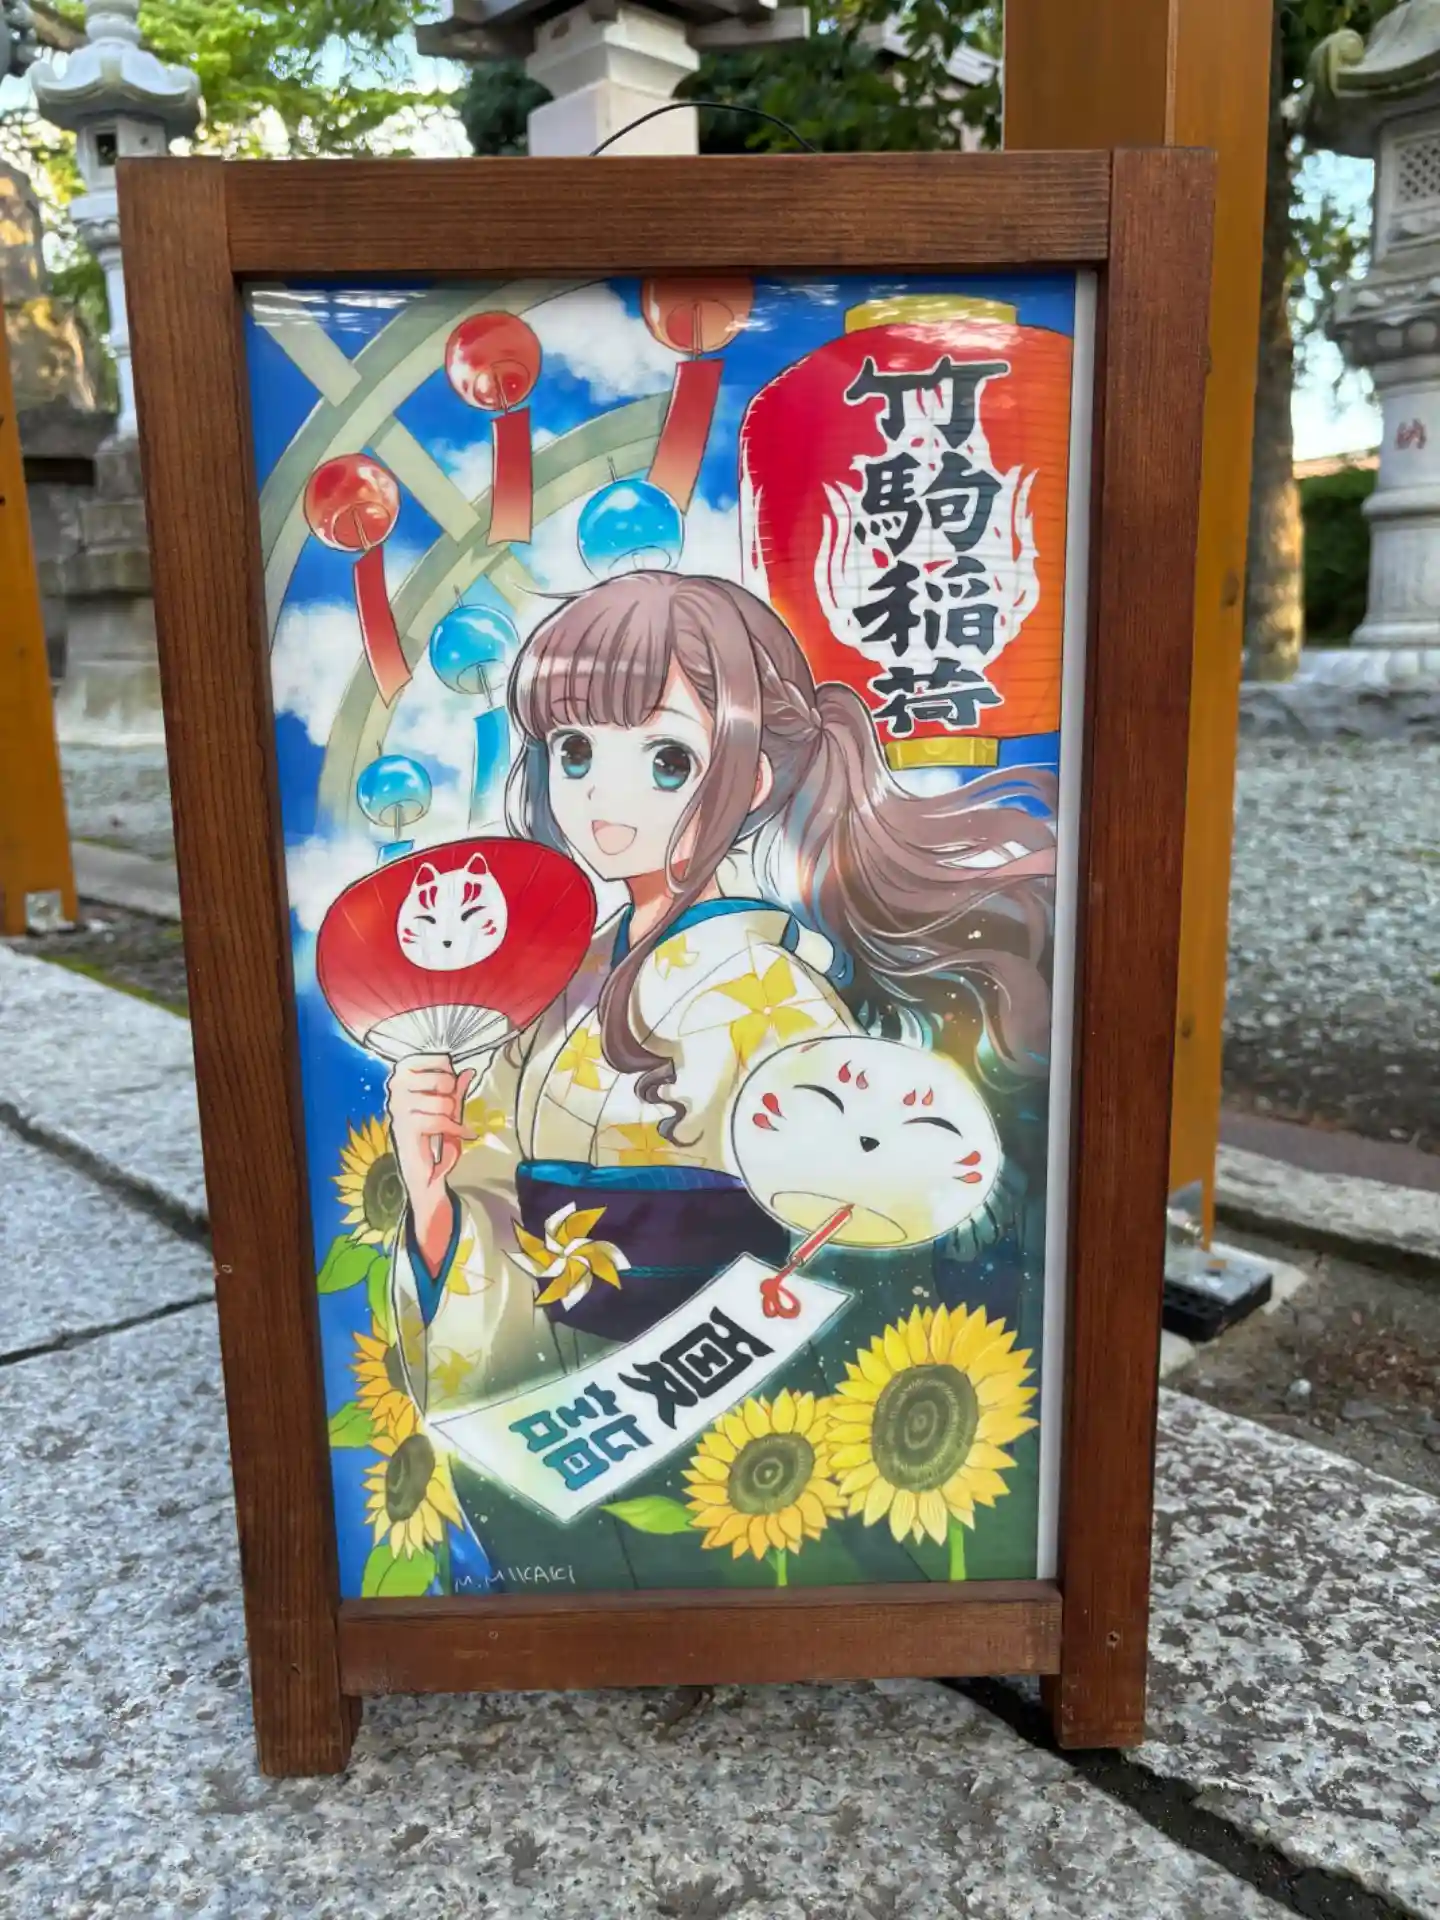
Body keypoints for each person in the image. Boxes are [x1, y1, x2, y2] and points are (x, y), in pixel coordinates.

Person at [384, 570, 1056, 1425]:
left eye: (667, 759)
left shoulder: (772, 992)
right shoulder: (562, 978)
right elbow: (486, 1190)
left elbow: (845, 1243)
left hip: (709, 1395)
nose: (601, 794)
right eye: (574, 751)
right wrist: (432, 1189)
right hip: (555, 1391)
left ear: (755, 778)